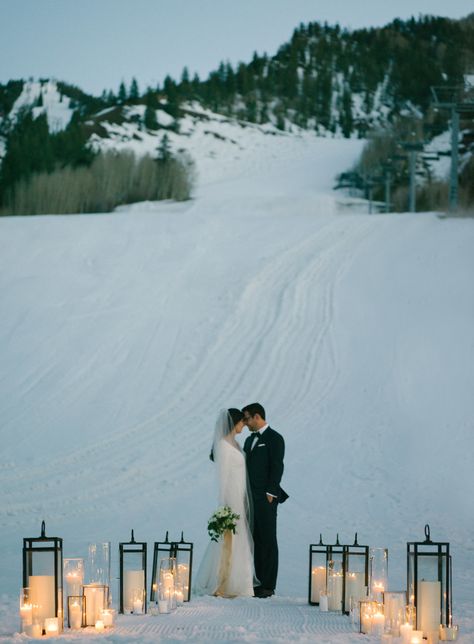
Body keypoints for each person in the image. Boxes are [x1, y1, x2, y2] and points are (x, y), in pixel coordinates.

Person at [194, 408, 256, 598]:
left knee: (240, 537)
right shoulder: (222, 445)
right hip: (231, 496)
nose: (243, 426)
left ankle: (240, 582)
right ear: (234, 423)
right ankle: (223, 581)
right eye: (241, 423)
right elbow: (223, 477)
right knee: (230, 537)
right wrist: (224, 505)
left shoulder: (235, 443)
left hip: (240, 494)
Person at [242, 402, 288, 598]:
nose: (244, 422)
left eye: (247, 418)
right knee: (254, 539)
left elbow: (277, 466)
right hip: (249, 498)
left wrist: (271, 493)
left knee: (267, 539)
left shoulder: (275, 438)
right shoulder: (248, 440)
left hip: (266, 498)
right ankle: (256, 582)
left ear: (257, 417)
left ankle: (268, 585)